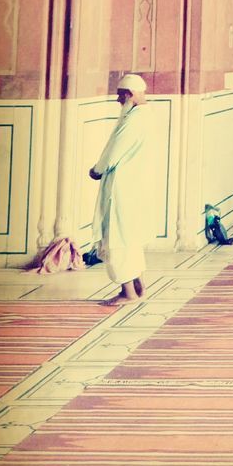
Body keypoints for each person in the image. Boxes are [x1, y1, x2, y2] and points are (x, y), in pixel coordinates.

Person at [89, 73, 153, 305]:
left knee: (116, 238)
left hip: (122, 187)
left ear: (130, 94)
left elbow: (115, 150)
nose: (118, 100)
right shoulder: (145, 116)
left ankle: (128, 293)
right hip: (135, 187)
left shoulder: (134, 119)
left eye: (120, 95)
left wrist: (97, 169)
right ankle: (138, 283)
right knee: (130, 235)